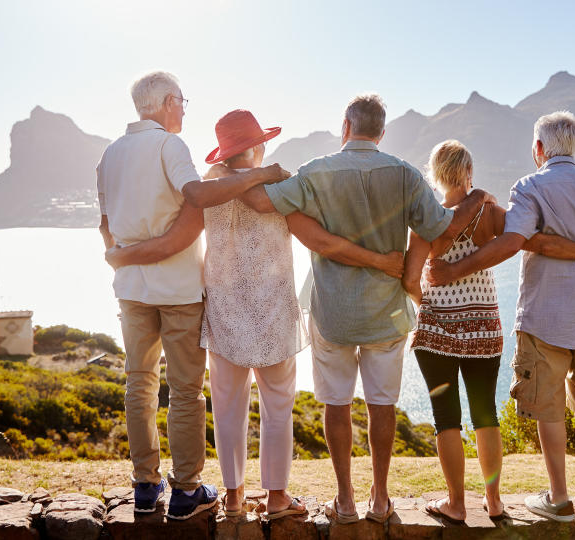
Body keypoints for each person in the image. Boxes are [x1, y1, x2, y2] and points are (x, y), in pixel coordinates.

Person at [105, 109, 404, 519]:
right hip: (273, 315)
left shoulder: (208, 186)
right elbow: (313, 235)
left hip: (225, 313)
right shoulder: (280, 185)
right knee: (278, 408)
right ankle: (278, 498)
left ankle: (232, 497)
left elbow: (184, 235)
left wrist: (123, 253)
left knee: (228, 409)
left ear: (225, 151)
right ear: (259, 145)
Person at [240, 94, 497, 524]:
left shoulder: (316, 172)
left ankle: (344, 500)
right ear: (382, 132)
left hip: (333, 312)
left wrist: (259, 172)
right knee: (382, 406)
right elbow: (442, 230)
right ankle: (380, 499)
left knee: (335, 405)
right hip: (387, 312)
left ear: (346, 126)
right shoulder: (405, 174)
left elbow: (261, 202)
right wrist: (477, 198)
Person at [96, 71, 290, 520]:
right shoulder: (169, 146)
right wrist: (263, 173)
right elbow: (197, 197)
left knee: (138, 383)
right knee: (185, 391)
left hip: (130, 291)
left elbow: (105, 224)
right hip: (178, 289)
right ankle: (185, 491)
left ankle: (145, 486)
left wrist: (120, 257)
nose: (184, 108)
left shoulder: (109, 155)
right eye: (182, 100)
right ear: (166, 101)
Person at [426, 111, 575, 522]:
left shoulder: (530, 187)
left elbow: (514, 242)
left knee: (549, 406)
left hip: (545, 317)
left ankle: (558, 497)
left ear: (539, 149)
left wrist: (451, 272)